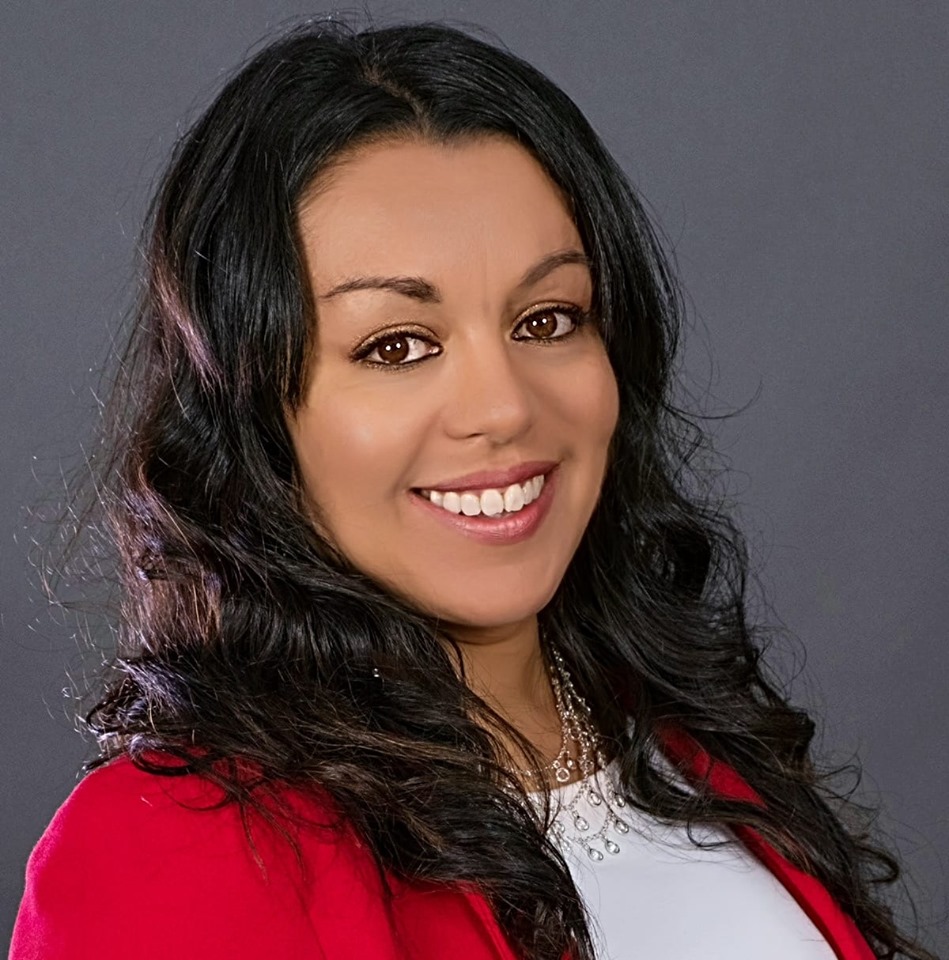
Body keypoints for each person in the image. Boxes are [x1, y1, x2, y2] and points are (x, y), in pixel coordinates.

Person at [10, 19, 935, 960]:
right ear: (253, 417)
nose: (503, 407)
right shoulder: (169, 849)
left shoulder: (689, 749)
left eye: (547, 320)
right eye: (396, 346)